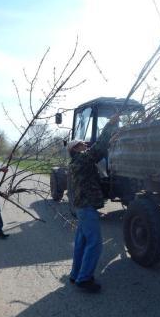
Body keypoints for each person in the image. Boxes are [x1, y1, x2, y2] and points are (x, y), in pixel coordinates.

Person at [68, 113, 120, 293]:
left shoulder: (77, 162)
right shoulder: (82, 160)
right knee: (95, 243)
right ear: (76, 149)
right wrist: (109, 126)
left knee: (82, 242)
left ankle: (75, 275)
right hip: (87, 207)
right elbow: (97, 150)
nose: (85, 145)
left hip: (82, 207)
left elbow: (96, 151)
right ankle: (84, 279)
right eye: (82, 144)